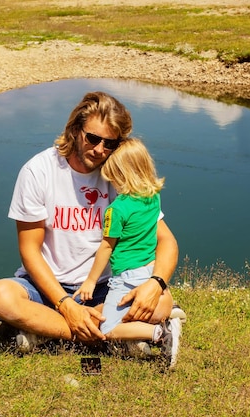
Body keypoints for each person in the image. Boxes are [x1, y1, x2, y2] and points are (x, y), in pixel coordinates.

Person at [0, 91, 183, 357]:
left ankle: (48, 331)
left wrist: (155, 283)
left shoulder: (119, 175)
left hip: (106, 287)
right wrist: (65, 303)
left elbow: (166, 240)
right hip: (48, 288)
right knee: (0, 296)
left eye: (110, 143)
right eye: (93, 138)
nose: (100, 149)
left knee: (162, 301)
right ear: (75, 130)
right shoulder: (38, 171)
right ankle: (107, 334)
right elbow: (29, 250)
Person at [72, 137, 181, 368]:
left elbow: (106, 246)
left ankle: (160, 335)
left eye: (111, 177)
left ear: (120, 176)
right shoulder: (152, 197)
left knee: (109, 328)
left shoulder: (116, 209)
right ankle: (150, 331)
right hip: (149, 270)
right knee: (126, 314)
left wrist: (90, 281)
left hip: (126, 277)